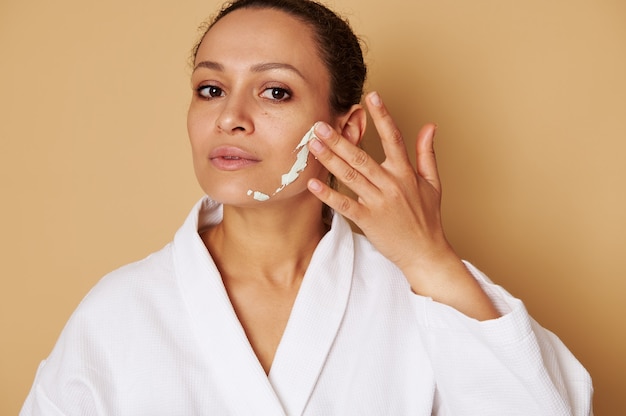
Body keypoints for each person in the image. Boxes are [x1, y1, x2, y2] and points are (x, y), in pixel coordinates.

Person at [20, 0, 593, 414]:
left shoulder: (422, 298)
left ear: (346, 127)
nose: (230, 117)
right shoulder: (119, 312)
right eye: (210, 89)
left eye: (275, 91)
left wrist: (429, 259)